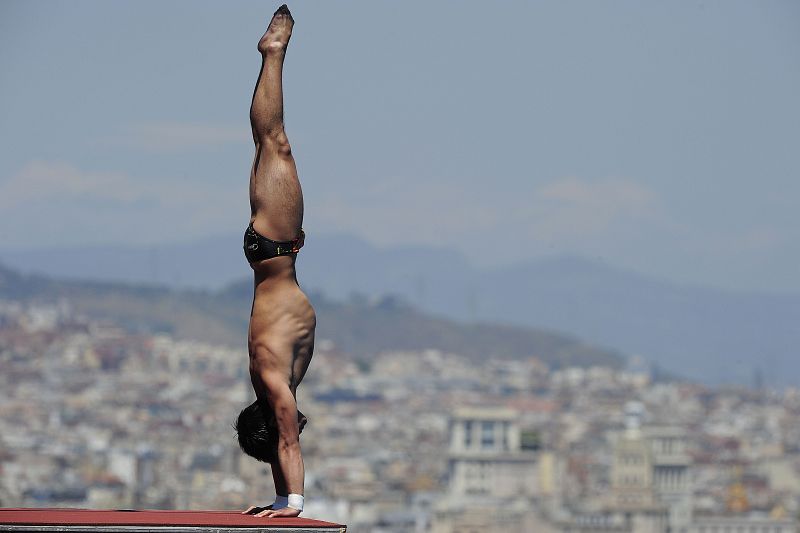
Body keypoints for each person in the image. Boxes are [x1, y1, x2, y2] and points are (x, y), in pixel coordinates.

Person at [233, 4, 315, 519]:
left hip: (277, 247)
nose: (298, 424)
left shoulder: (274, 382)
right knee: (267, 144)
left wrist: (295, 503)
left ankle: (274, 53)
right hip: (270, 254)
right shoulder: (272, 383)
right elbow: (278, 444)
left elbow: (285, 442)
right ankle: (272, 57)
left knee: (274, 142)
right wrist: (280, 496)